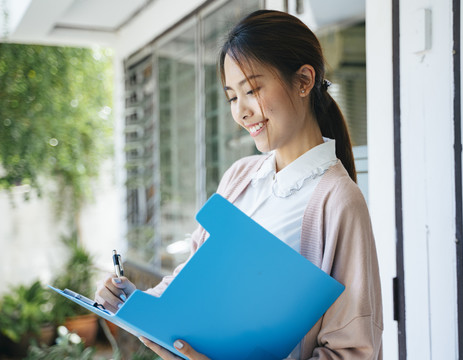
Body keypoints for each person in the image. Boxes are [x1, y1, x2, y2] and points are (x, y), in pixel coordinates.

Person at [95, 9, 382, 360]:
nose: (241, 111)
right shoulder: (240, 176)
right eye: (232, 96)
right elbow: (192, 280)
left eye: (253, 89)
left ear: (304, 80)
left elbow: (353, 351)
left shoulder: (339, 200)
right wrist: (133, 301)